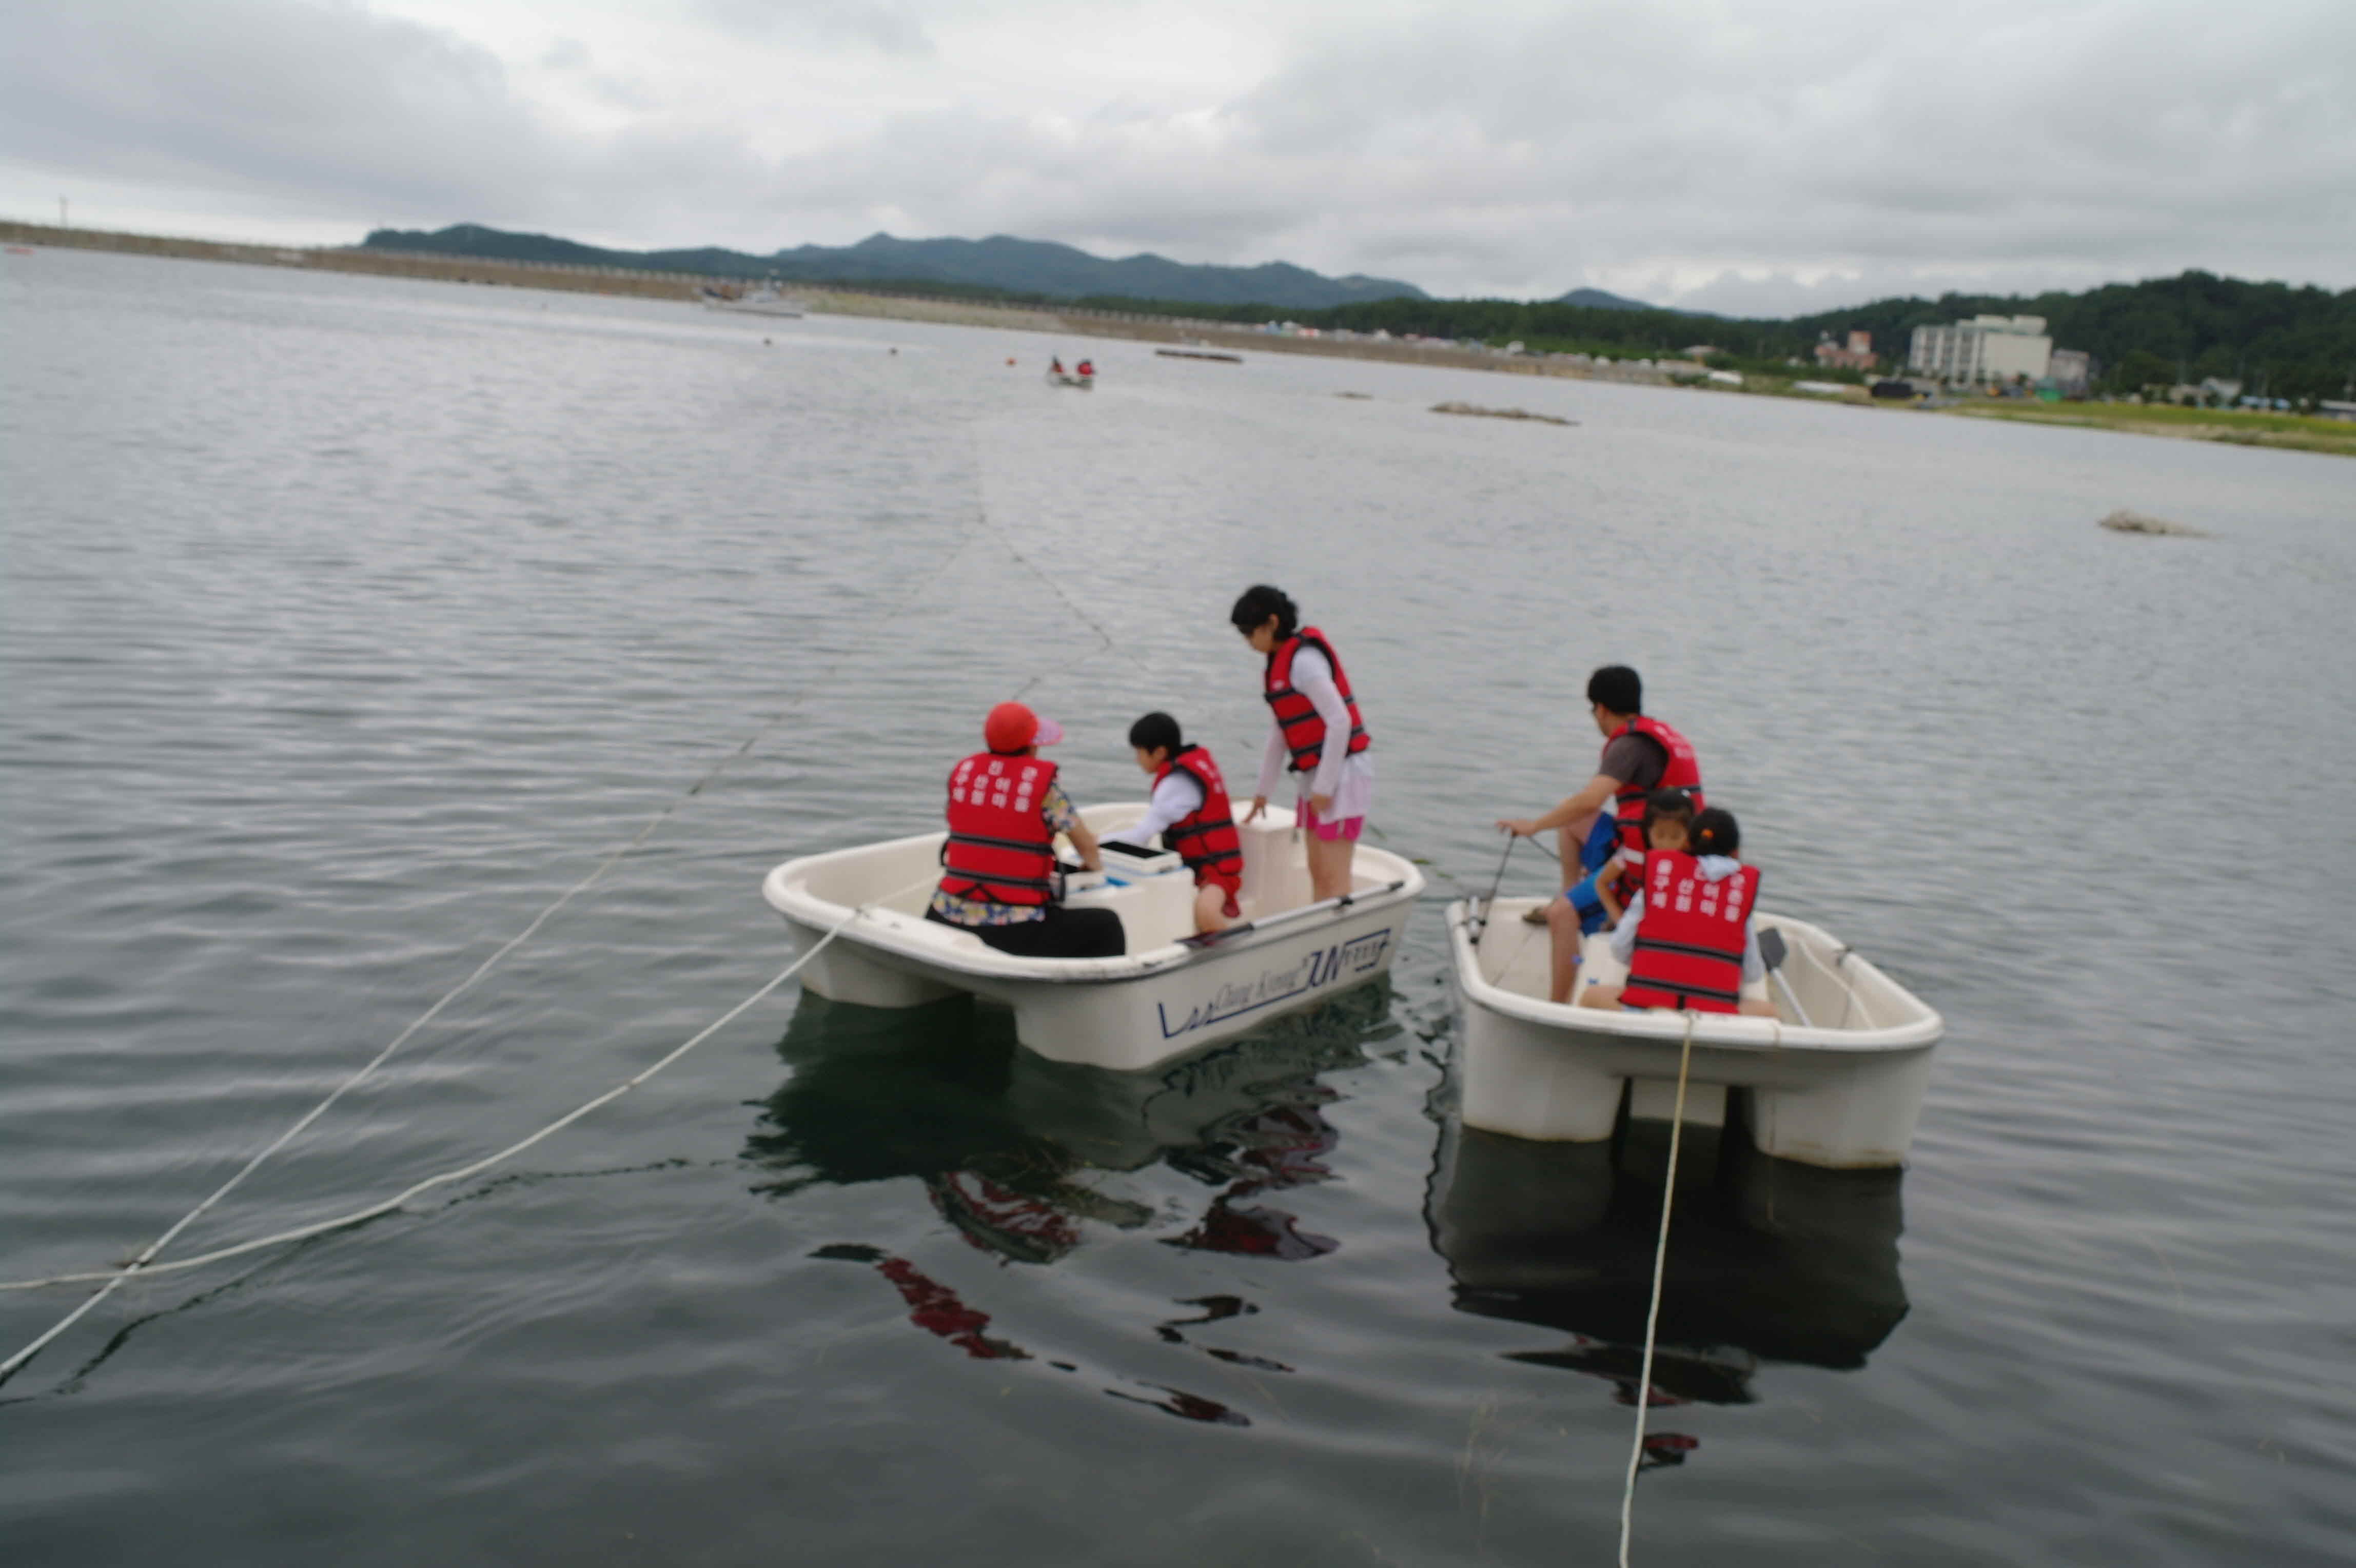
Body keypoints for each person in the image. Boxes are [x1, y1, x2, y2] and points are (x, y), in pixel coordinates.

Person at [1497, 664, 1703, 922]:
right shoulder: (1665, 735)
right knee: (1571, 814)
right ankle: (1569, 894)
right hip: (1676, 845)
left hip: (1644, 857)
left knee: (1574, 812)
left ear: (1602, 709)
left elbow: (1591, 800)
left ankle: (1567, 906)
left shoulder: (1628, 745)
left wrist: (1534, 826)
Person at [925, 701, 1125, 958]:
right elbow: (1086, 846)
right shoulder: (1044, 788)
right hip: (1015, 929)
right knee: (1107, 925)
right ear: (1032, 745)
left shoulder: (963, 775)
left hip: (944, 916)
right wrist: (1093, 867)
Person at [1231, 584, 1374, 903]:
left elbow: (1340, 722)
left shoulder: (1305, 662)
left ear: (1270, 624)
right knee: (1316, 870)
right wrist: (1262, 793)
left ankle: (1337, 937)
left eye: (1249, 632)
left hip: (1343, 773)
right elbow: (1280, 733)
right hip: (1315, 774)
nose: (1247, 642)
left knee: (1333, 876)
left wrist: (1325, 787)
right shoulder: (1277, 664)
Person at [1579, 802, 1772, 1016]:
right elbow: (1753, 973)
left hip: (1647, 1008)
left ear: (1687, 842)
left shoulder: (1659, 878)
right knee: (1770, 1012)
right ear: (1735, 853)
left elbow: (1619, 947)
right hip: (1715, 1014)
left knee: (1591, 996)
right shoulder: (1740, 892)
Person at [1539, 790, 1689, 1003]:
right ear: (1648, 833)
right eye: (1660, 835)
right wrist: (1621, 920)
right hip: (1633, 930)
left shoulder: (1695, 865)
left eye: (1675, 837)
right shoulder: (1631, 853)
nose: (1667, 843)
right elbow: (1602, 883)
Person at [1104, 712, 1244, 934]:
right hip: (1205, 869)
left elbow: (1141, 836)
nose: (1137, 759)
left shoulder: (1177, 783)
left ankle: (1238, 962)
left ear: (1159, 752)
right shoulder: (1188, 769)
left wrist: (1095, 843)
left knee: (1205, 912)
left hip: (1216, 873)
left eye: (1139, 752)